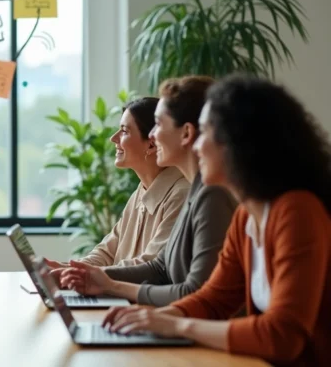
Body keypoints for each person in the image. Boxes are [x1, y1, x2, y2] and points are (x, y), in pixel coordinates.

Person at [102, 76, 331, 366]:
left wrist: (176, 325)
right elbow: (213, 298)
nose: (196, 146)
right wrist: (154, 318)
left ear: (240, 143)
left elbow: (282, 336)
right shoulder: (247, 217)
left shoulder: (297, 212)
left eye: (207, 131)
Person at [59, 76, 237, 306]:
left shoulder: (206, 195)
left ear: (186, 133)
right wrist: (85, 274)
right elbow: (159, 267)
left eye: (159, 125)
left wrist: (110, 285)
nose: (153, 135)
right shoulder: (194, 190)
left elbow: (197, 293)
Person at [48, 97, 189, 272]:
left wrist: (86, 275)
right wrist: (67, 268)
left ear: (151, 143)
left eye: (124, 131)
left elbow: (151, 267)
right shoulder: (141, 191)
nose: (114, 138)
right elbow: (107, 253)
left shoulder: (181, 195)